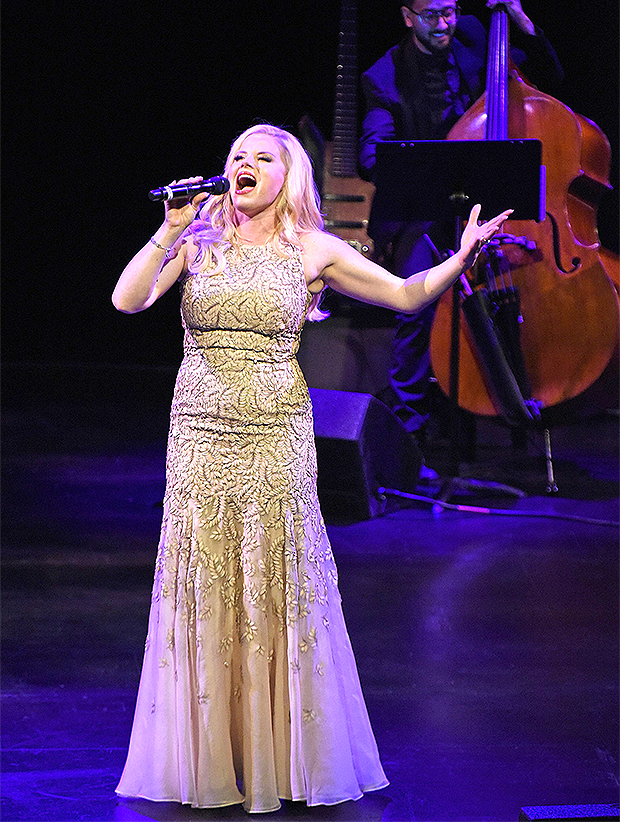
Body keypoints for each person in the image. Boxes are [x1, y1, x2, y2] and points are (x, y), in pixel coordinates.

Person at [112, 122, 511, 813]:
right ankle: (215, 752)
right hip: (200, 432)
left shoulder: (313, 248)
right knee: (207, 574)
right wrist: (169, 229)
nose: (245, 165)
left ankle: (284, 754)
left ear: (288, 175)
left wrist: (461, 258)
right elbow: (129, 299)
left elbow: (406, 295)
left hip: (276, 434)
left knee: (276, 574)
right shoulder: (198, 239)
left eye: (261, 157)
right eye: (237, 155)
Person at [359, 0, 564, 444]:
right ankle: (409, 435)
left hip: (488, 208)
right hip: (426, 216)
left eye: (450, 11)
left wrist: (520, 20)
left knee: (522, 296)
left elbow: (551, 80)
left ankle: (523, 410)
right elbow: (371, 154)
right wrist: (421, 160)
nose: (445, 24)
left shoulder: (477, 36)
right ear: (408, 17)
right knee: (414, 305)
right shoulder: (384, 76)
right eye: (431, 15)